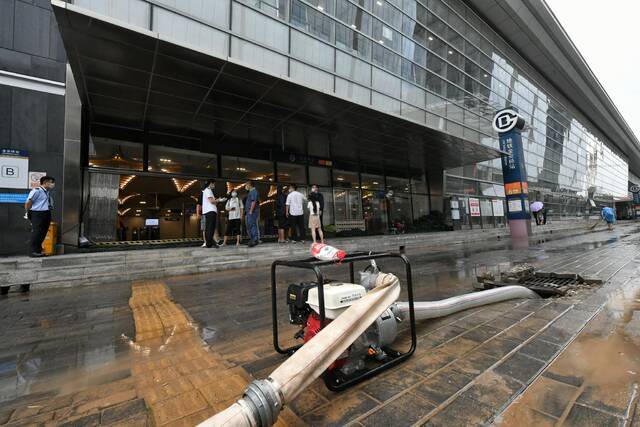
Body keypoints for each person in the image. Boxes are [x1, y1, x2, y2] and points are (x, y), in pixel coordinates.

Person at [24, 176, 55, 257]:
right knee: (37, 233)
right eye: (51, 182)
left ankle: (38, 250)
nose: (53, 184)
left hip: (46, 213)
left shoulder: (47, 192)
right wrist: (28, 212)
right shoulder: (36, 191)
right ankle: (32, 252)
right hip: (37, 214)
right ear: (45, 182)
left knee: (43, 233)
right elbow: (28, 203)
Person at [202, 180, 225, 248]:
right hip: (210, 211)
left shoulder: (207, 191)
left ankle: (209, 242)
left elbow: (214, 202)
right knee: (210, 228)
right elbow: (212, 201)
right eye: (214, 184)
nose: (214, 185)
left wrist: (217, 200)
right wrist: (220, 200)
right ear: (211, 183)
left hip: (209, 211)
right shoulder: (208, 190)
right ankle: (209, 243)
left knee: (209, 227)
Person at [244, 181, 260, 247]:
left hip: (252, 212)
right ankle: (252, 239)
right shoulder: (250, 192)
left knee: (252, 225)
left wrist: (251, 211)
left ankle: (255, 240)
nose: (245, 186)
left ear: (249, 185)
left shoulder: (254, 191)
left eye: (246, 184)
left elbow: (254, 201)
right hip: (249, 212)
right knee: (249, 225)